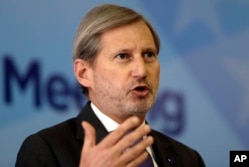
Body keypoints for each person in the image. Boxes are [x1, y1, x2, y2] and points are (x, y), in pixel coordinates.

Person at [15, 4, 205, 167]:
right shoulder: (45, 150)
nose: (141, 70)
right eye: (123, 56)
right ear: (84, 73)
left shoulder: (188, 159)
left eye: (148, 55)